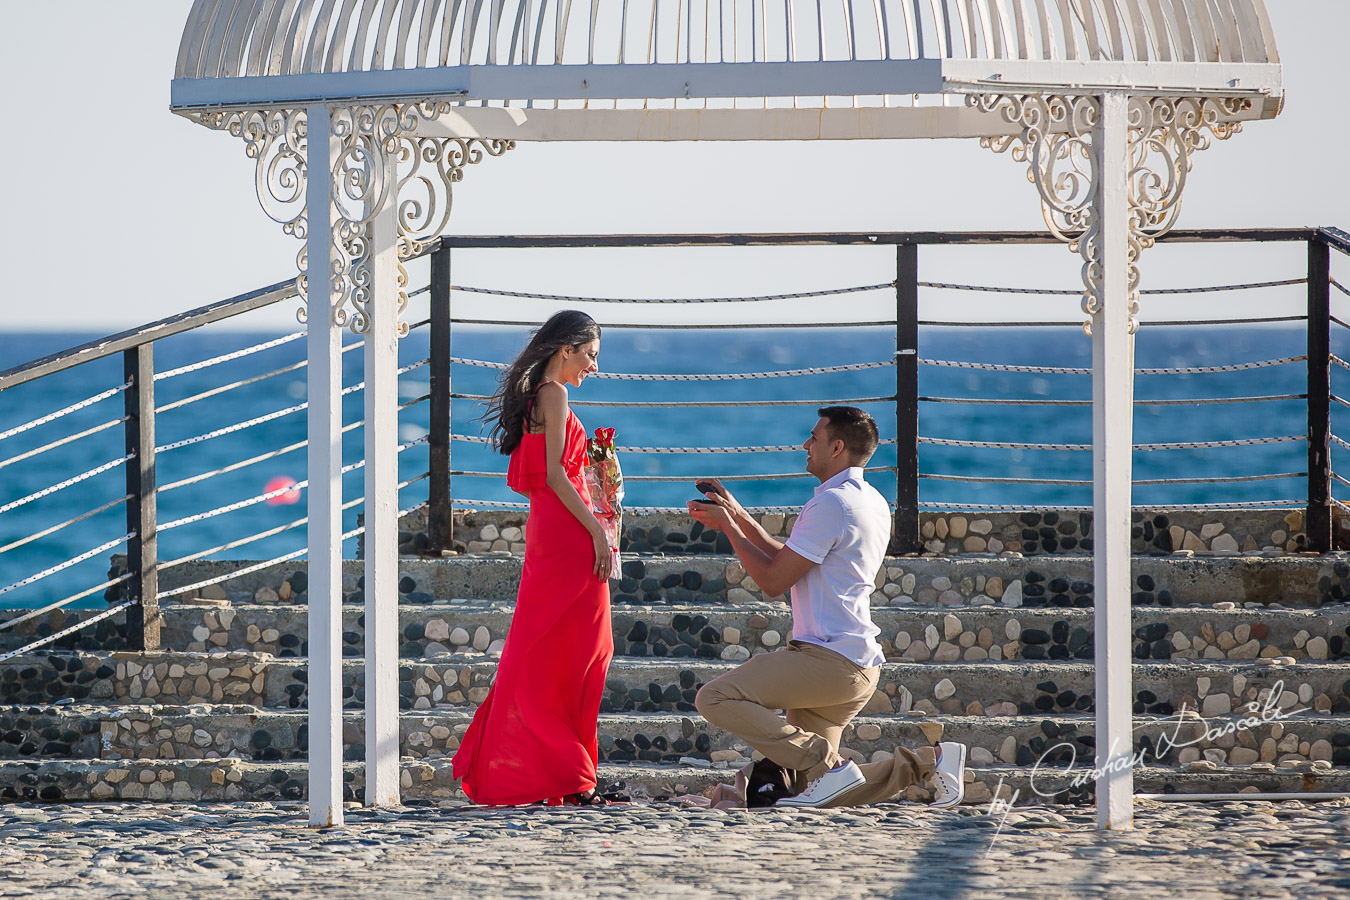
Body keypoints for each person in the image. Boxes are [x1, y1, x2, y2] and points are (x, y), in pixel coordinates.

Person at [687, 406, 967, 809]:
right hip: (854, 666)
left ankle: (829, 765)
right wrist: (737, 514)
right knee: (816, 790)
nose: (805, 444)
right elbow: (787, 558)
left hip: (829, 661)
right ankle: (930, 763)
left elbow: (772, 581)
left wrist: (728, 528)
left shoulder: (832, 504)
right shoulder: (867, 500)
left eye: (814, 438)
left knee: (714, 698)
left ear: (837, 447)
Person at [452, 310, 615, 806]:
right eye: (590, 355)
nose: (593, 366)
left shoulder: (535, 397)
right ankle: (570, 772)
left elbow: (552, 475)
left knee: (553, 651)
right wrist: (597, 532)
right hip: (568, 535)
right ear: (566, 349)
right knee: (581, 650)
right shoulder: (554, 394)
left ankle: (566, 771)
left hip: (552, 533)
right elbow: (554, 476)